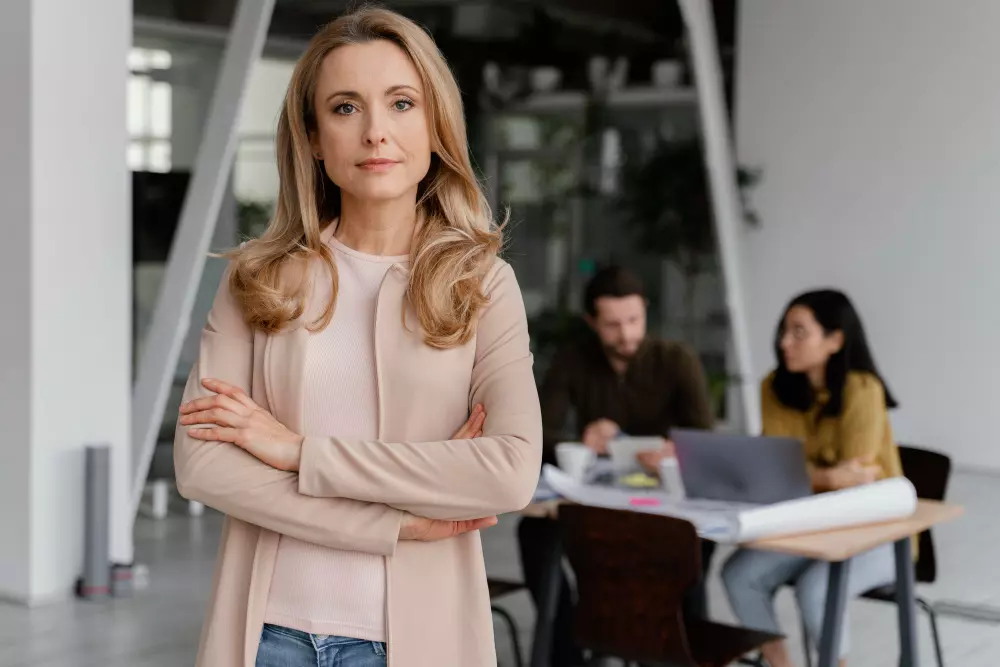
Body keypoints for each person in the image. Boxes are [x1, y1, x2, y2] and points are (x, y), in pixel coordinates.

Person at [172, 8, 541, 667]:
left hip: (418, 640)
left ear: (434, 123)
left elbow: (510, 472)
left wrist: (295, 452)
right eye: (345, 108)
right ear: (314, 136)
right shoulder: (255, 278)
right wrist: (397, 520)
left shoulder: (484, 283)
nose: (376, 132)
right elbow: (203, 465)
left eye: (401, 103)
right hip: (269, 636)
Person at [517, 265, 716, 667]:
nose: (626, 334)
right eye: (612, 325)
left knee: (689, 546)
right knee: (535, 533)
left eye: (633, 320)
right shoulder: (574, 362)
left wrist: (671, 450)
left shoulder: (676, 360)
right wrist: (581, 443)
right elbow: (533, 432)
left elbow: (704, 439)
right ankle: (566, 656)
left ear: (645, 310)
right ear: (592, 322)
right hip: (601, 498)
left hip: (665, 500)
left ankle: (674, 648)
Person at [721, 289, 904, 667]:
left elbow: (855, 483)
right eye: (784, 331)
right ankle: (779, 663)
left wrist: (808, 476)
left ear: (835, 340)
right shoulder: (774, 387)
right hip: (806, 523)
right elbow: (778, 471)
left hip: (877, 532)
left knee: (816, 589)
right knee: (739, 575)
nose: (785, 342)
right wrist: (827, 476)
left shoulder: (863, 390)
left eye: (799, 332)